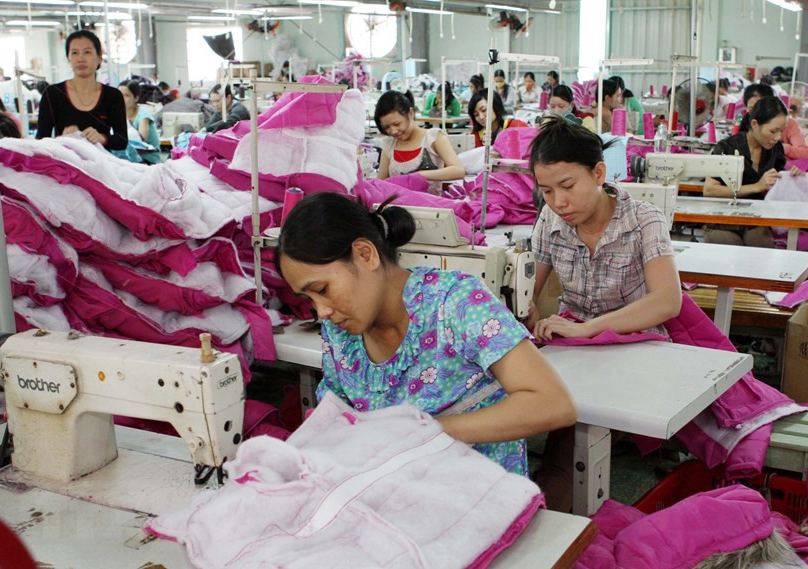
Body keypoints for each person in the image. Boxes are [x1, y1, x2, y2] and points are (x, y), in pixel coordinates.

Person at [277, 192, 577, 478]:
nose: (321, 311)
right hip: (394, 490)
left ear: (365, 255)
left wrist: (423, 432)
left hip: (479, 493)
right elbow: (337, 417)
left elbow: (552, 404)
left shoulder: (456, 303)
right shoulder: (340, 332)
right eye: (309, 300)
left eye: (322, 290)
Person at [524, 118, 681, 511]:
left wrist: (588, 329)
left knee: (568, 436)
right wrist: (527, 311)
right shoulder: (550, 220)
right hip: (576, 347)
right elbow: (528, 292)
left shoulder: (644, 220)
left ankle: (554, 510)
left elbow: (667, 301)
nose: (558, 202)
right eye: (546, 191)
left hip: (638, 348)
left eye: (567, 186)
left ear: (598, 173)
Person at [703, 96, 805, 247]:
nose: (777, 137)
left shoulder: (774, 149)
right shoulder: (727, 147)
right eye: (773, 131)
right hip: (721, 219)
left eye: (781, 131)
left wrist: (791, 175)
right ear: (755, 124)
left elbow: (777, 182)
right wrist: (757, 186)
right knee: (732, 248)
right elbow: (709, 190)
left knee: (762, 249)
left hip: (755, 218)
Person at [36, 30, 127, 151]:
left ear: (99, 58)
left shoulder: (113, 96)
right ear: (68, 58)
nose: (80, 59)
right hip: (65, 160)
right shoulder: (52, 94)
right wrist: (62, 139)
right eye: (74, 53)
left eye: (87, 52)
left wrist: (101, 138)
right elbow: (41, 141)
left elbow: (122, 141)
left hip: (100, 160)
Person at [375, 90, 465, 194]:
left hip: (431, 203)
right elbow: (380, 184)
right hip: (398, 203)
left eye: (397, 124)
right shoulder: (389, 144)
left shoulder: (433, 138)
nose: (393, 131)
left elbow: (458, 171)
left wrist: (420, 175)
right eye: (386, 127)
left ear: (411, 113)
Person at [743, 83, 808, 160]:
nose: (756, 114)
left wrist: (781, 148)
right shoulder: (744, 124)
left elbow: (804, 153)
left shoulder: (789, 123)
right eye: (752, 109)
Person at [118, 81, 161, 164]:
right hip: (130, 158)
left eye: (126, 95)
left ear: (136, 98)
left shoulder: (143, 114)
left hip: (148, 160)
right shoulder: (118, 114)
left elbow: (141, 141)